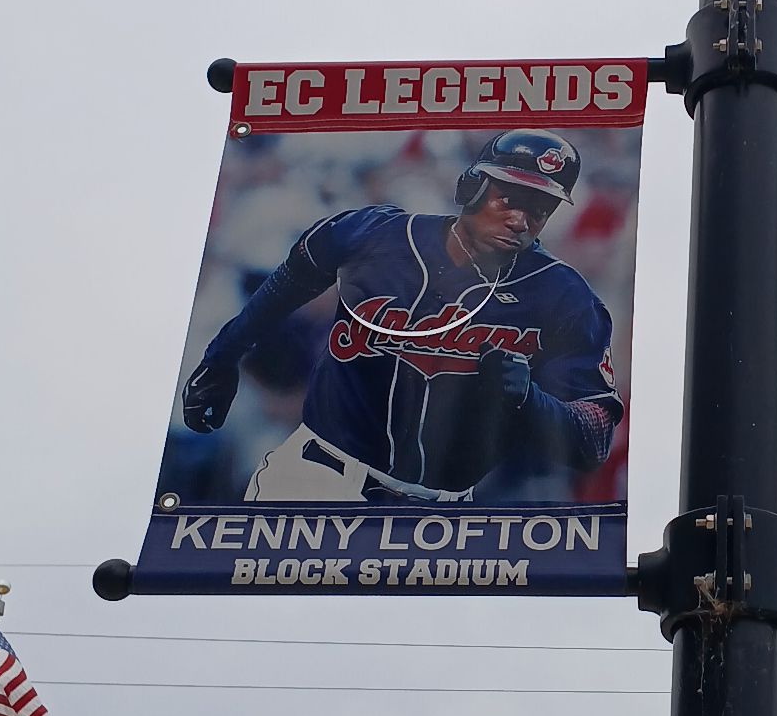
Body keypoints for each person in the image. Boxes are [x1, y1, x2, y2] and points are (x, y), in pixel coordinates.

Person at [181, 130, 622, 503]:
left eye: (539, 208)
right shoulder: (378, 233)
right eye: (508, 198)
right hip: (320, 478)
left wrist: (532, 400)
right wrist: (222, 356)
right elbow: (287, 283)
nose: (520, 220)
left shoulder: (563, 295)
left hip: (442, 512)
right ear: (470, 187)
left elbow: (595, 438)